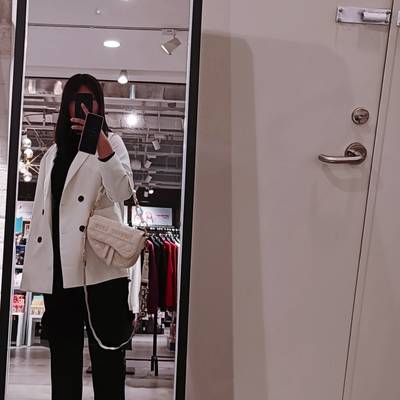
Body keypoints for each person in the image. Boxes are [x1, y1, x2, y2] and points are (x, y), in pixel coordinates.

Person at [20, 74, 135, 400]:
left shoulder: (112, 144)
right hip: (60, 276)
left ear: (99, 105)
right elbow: (43, 220)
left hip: (101, 273)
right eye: (76, 99)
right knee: (64, 370)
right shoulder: (52, 155)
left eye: (91, 99)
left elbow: (122, 192)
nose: (84, 106)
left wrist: (100, 142)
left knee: (108, 367)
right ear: (66, 105)